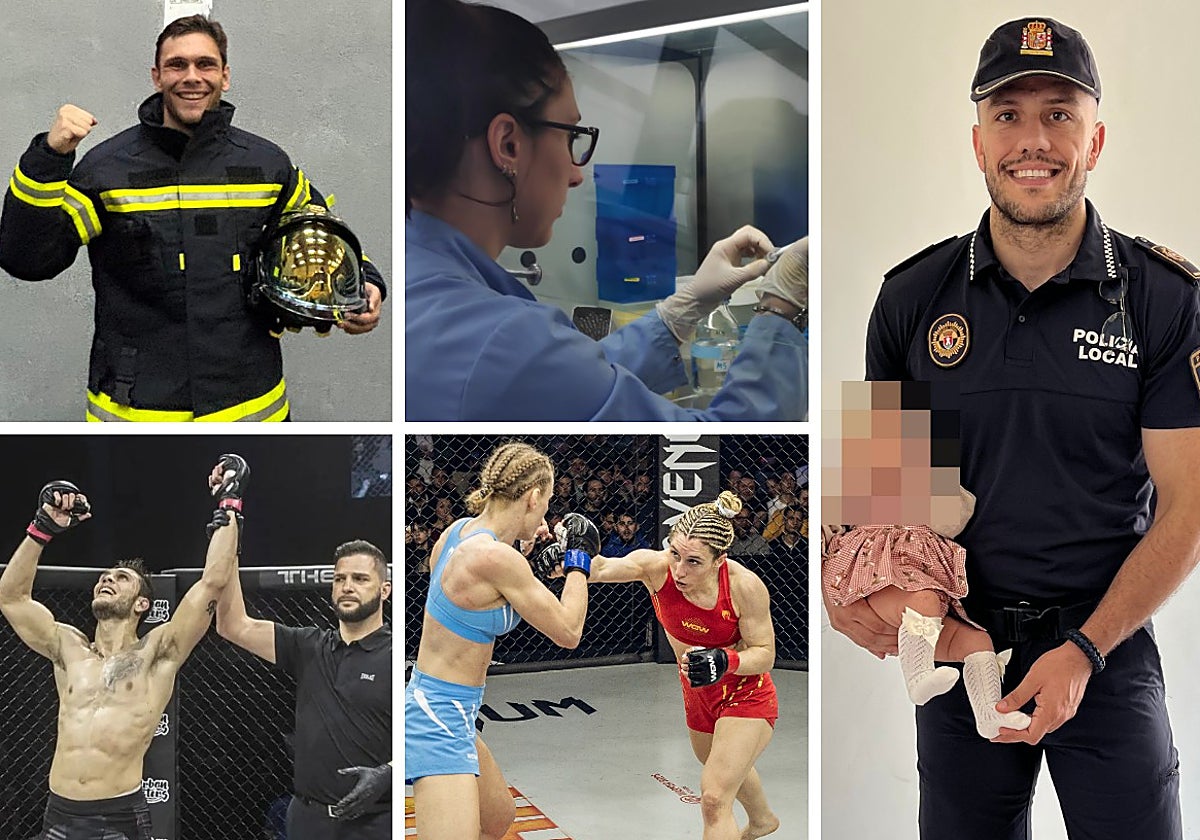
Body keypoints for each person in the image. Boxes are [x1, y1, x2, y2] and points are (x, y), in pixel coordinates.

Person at [834, 16, 1200, 839]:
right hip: (967, 645)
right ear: (977, 141)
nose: (1031, 140)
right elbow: (885, 503)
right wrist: (900, 605)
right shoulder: (908, 297)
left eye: (1058, 113)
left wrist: (1086, 652)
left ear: (1095, 140)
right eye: (1008, 115)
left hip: (1108, 642)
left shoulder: (1167, 299)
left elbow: (1190, 508)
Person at [405, 0, 808, 421]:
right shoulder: (504, 341)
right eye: (570, 137)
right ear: (508, 144)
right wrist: (779, 306)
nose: (578, 176)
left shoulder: (415, 282)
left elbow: (562, 388)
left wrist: (680, 310)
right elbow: (721, 454)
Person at [0, 15, 386, 422]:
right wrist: (49, 156)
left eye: (205, 64)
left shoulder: (267, 165)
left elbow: (322, 236)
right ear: (156, 76)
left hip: (253, 408)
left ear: (225, 75)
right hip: (136, 415)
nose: (191, 77)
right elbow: (28, 259)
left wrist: (366, 286)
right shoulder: (106, 170)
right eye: (176, 65)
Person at [0, 455, 247, 840]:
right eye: (104, 576)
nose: (106, 580)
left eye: (121, 578)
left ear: (142, 603)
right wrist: (41, 529)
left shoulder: (157, 652)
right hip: (58, 813)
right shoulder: (67, 645)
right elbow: (12, 599)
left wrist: (229, 503)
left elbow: (213, 583)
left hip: (116, 819)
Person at [403, 442, 600, 840]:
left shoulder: (458, 532)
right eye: (546, 503)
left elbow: (482, 591)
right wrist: (579, 559)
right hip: (437, 713)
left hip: (454, 709)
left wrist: (524, 547)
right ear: (532, 497)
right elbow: (568, 631)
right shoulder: (496, 559)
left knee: (497, 818)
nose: (547, 513)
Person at [585, 491, 781, 840]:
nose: (678, 569)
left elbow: (765, 653)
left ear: (719, 560)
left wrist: (726, 659)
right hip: (697, 692)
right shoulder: (656, 568)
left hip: (745, 693)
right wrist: (567, 559)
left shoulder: (744, 586)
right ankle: (763, 820)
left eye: (693, 562)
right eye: (675, 554)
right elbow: (599, 568)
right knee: (719, 765)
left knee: (714, 798)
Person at [215, 539, 393, 839]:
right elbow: (232, 625)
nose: (347, 586)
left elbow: (420, 734)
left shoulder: (393, 655)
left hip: (374, 822)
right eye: (340, 579)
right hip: (307, 820)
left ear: (384, 590)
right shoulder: (309, 646)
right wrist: (229, 540)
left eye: (360, 579)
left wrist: (388, 773)